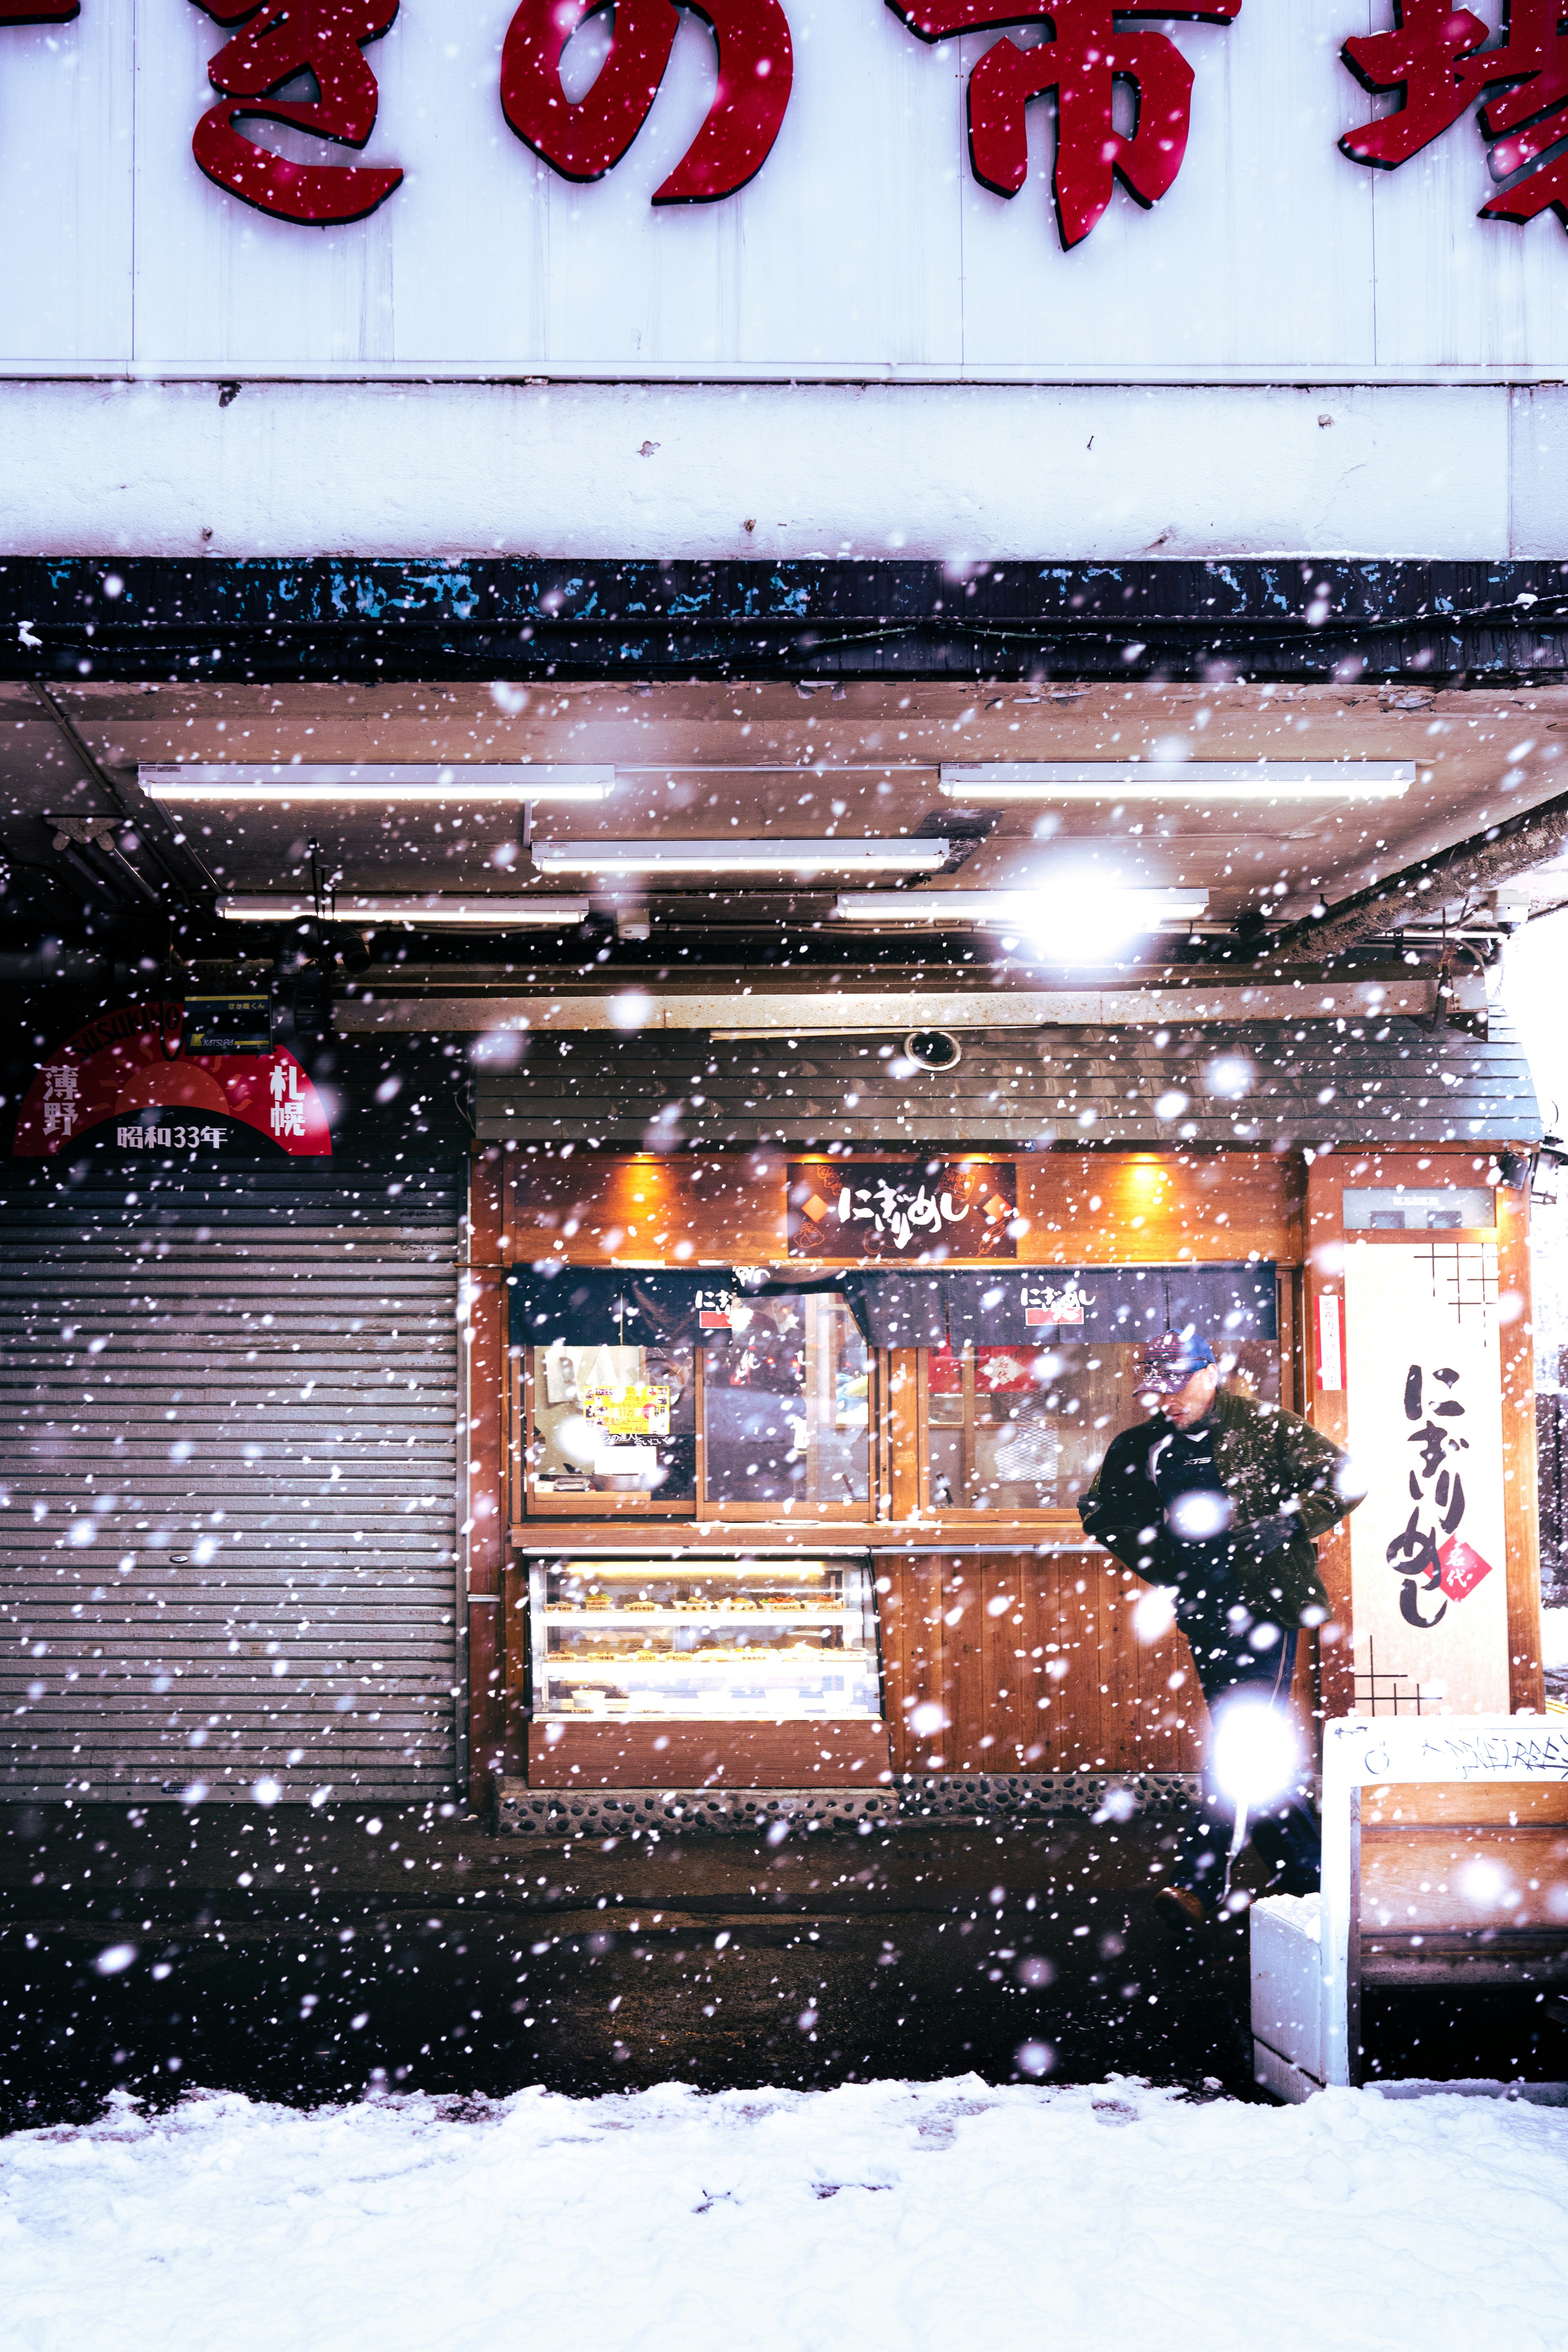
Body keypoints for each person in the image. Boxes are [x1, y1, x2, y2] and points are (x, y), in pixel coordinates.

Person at [1078, 1331, 1361, 1929]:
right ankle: (1307, 1872)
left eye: (1179, 1383)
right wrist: (1162, 1561)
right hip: (1205, 1610)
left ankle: (1198, 1879)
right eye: (1158, 1388)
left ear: (1211, 1373)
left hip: (1271, 1607)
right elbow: (1101, 1510)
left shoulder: (1266, 1425)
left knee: (1239, 1738)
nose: (1168, 1399)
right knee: (1252, 1745)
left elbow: (1346, 1477)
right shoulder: (1145, 1445)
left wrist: (1290, 1524)